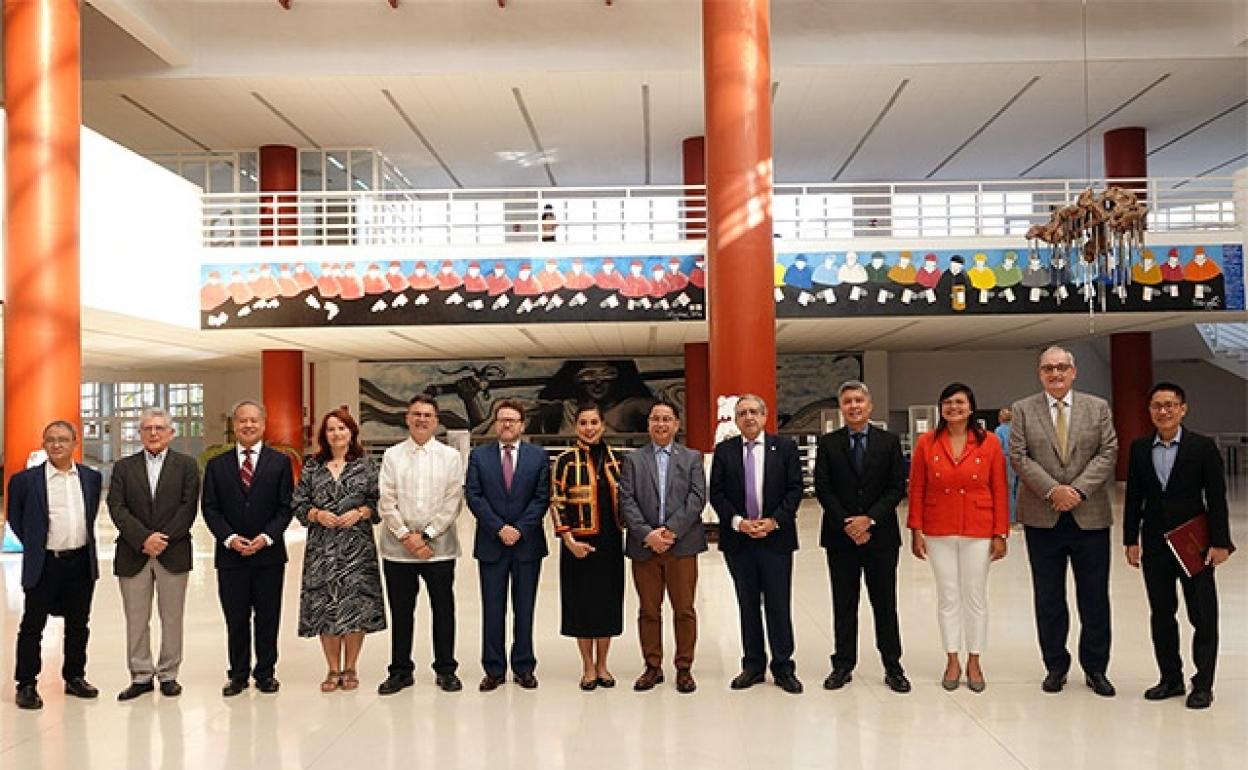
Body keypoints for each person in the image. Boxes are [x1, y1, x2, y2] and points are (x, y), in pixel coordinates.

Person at [1009, 346, 1118, 697]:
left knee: (1094, 598)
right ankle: (1056, 666)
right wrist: (1054, 490)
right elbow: (1019, 456)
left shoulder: (1097, 407)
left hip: (1090, 517)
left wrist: (1078, 491)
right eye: (1047, 369)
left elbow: (1108, 452)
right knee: (1049, 598)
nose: (1055, 374)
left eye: (1061, 368)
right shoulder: (1024, 409)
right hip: (1043, 518)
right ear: (1039, 374)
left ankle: (1096, 668)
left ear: (1074, 371)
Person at [1123, 382, 1234, 709]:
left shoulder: (1202, 447)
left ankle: (1203, 684)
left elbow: (1216, 497)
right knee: (1161, 613)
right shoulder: (1141, 448)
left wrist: (1220, 542)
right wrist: (1131, 539)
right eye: (1157, 405)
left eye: (1170, 405)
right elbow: (1134, 498)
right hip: (1155, 544)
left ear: (1183, 409)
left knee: (1203, 614)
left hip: (1194, 543)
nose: (1164, 411)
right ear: (1150, 411)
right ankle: (1170, 677)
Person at [908, 383, 1009, 692]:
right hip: (939, 527)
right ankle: (952, 658)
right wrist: (916, 529)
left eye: (960, 402)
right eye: (948, 402)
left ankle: (974, 659)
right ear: (941, 408)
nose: (954, 407)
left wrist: (1000, 532)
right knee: (948, 596)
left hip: (979, 527)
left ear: (971, 407)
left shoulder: (989, 442)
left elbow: (1000, 488)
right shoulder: (927, 442)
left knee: (975, 597)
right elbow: (917, 488)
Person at [814, 381, 910, 694]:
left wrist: (868, 520)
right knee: (844, 604)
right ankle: (842, 665)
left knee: (884, 603)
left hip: (880, 537)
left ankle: (893, 666)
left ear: (869, 406)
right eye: (847, 401)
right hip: (840, 538)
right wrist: (849, 523)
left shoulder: (888, 442)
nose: (853, 406)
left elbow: (897, 486)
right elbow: (823, 488)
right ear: (841, 408)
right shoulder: (828, 444)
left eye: (859, 400)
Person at [709, 394, 804, 694]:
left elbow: (795, 490)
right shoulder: (724, 451)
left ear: (765, 417)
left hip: (776, 539)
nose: (748, 417)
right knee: (747, 604)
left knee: (778, 604)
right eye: (742, 413)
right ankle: (752, 665)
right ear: (736, 420)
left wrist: (773, 521)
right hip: (739, 541)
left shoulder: (785, 448)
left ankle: (783, 666)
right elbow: (717, 493)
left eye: (753, 412)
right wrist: (739, 522)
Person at [201, 400, 294, 697]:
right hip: (231, 556)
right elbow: (210, 508)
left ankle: (266, 673)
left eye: (254, 420)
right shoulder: (217, 466)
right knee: (236, 618)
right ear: (234, 425)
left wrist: (266, 537)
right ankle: (238, 674)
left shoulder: (279, 463)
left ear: (264, 425)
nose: (248, 425)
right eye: (242, 420)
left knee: (268, 616)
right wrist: (229, 538)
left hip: (268, 555)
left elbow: (285, 507)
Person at [107, 408, 201, 701]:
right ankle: (140, 675)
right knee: (136, 619)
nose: (154, 433)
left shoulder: (186, 466)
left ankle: (169, 674)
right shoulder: (123, 467)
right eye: (147, 428)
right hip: (134, 554)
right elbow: (117, 507)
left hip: (173, 552)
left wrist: (162, 539)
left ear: (171, 433)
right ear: (140, 433)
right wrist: (143, 538)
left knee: (172, 617)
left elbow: (188, 508)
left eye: (160, 428)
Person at [9, 421, 104, 710]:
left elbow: (91, 514)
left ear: (75, 443)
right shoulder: (25, 481)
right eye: (50, 439)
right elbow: (16, 519)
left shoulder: (90, 478)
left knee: (78, 624)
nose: (57, 445)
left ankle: (75, 676)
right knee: (32, 625)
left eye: (63, 439)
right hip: (45, 562)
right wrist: (38, 545)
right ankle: (26, 683)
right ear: (44, 443)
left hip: (80, 562)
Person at [376, 395, 466, 695]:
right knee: (402, 611)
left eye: (428, 415)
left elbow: (453, 501)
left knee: (443, 609)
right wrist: (406, 536)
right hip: (397, 549)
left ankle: (446, 669)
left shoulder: (451, 457)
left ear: (436, 420)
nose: (422, 419)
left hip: (438, 549)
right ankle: (400, 670)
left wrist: (426, 535)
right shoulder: (392, 456)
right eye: (416, 414)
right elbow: (386, 501)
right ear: (407, 418)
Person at [292, 408, 385, 693]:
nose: (337, 434)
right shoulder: (311, 466)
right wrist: (315, 514)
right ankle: (332, 668)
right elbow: (297, 503)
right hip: (322, 549)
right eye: (331, 429)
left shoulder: (367, 465)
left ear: (352, 432)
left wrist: (361, 512)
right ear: (324, 435)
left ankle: (351, 667)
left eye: (342, 428)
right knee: (326, 607)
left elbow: (379, 501)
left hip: (357, 548)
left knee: (355, 606)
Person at [618, 399, 707, 694]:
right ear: (648, 425)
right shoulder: (633, 460)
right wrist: (648, 534)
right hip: (645, 548)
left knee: (684, 610)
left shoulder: (692, 458)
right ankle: (652, 666)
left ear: (676, 424)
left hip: (682, 547)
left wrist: (670, 531)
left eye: (667, 419)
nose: (661, 424)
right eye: (655, 419)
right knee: (648, 610)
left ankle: (684, 668)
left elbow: (697, 498)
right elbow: (626, 500)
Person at [465, 398, 550, 691]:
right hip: (492, 543)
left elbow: (542, 498)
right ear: (495, 424)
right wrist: (499, 527)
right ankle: (494, 669)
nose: (506, 424)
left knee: (524, 608)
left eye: (512, 420)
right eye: (502, 419)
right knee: (492, 608)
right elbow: (474, 496)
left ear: (522, 425)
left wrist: (519, 529)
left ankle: (524, 667)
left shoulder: (538, 457)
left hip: (527, 545)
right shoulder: (480, 456)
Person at [549, 403, 625, 690]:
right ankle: (588, 667)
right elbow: (556, 502)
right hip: (577, 544)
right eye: (583, 423)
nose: (589, 428)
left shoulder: (617, 460)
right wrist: (569, 540)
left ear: (603, 425)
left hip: (610, 543)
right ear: (576, 426)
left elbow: (627, 500)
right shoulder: (565, 460)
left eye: (594, 422)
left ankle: (604, 664)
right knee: (581, 605)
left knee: (606, 605)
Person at [994, 408, 1018, 525]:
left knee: (1009, 489)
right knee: (1019, 490)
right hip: (1019, 460)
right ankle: (1020, 517)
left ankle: (1011, 518)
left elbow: (998, 448)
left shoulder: (999, 430)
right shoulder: (1016, 429)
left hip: (1007, 460)